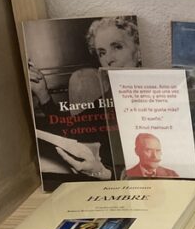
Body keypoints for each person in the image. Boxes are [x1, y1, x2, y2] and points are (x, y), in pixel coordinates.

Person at [27, 16, 142, 182]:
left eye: (117, 46)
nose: (109, 59)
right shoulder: (107, 101)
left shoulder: (166, 94)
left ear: (138, 52)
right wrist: (43, 94)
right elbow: (68, 132)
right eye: (102, 53)